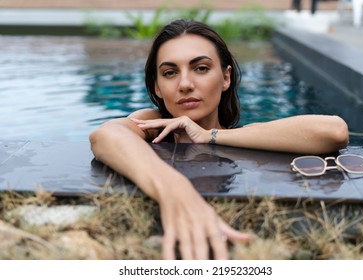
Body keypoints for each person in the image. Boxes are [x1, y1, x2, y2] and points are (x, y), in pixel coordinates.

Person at [89, 19, 349, 260]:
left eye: (201, 68)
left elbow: (334, 131)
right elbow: (105, 135)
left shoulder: (246, 135)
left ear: (225, 78)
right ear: (157, 87)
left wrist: (209, 136)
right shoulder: (154, 125)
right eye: (170, 73)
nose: (185, 84)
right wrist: (174, 189)